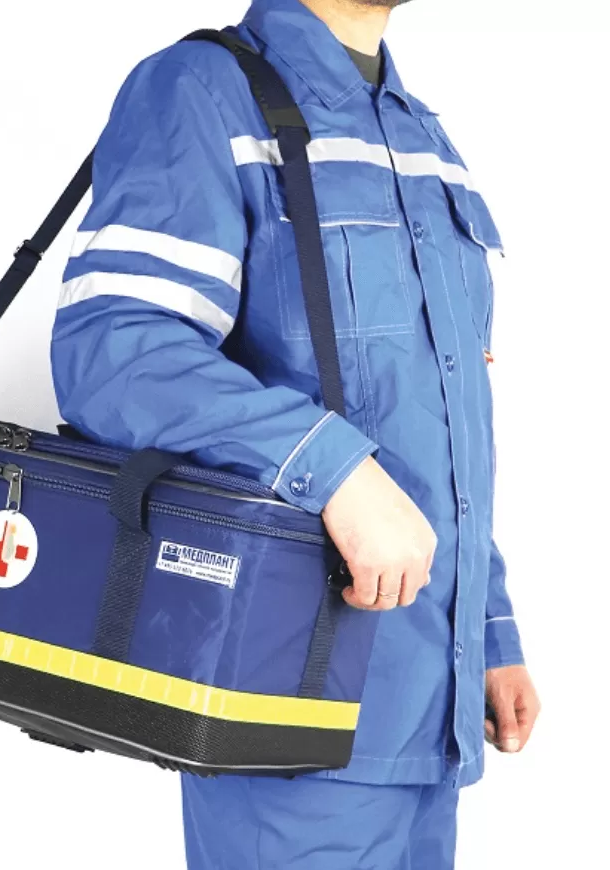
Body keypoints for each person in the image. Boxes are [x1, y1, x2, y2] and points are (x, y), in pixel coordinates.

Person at [51, 0, 541, 866]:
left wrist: (490, 630)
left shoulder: (421, 135)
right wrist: (333, 468)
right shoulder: (202, 91)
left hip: (433, 705)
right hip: (287, 702)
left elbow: (445, 418)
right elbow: (116, 351)